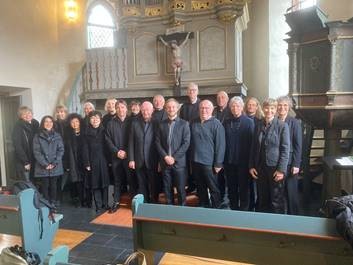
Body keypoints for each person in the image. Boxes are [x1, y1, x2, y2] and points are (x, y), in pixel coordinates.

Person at [249, 98, 290, 214]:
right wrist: (251, 166)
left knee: (276, 199)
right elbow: (254, 147)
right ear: (263, 109)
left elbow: (285, 149)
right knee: (262, 198)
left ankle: (277, 226)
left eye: (272, 108)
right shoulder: (258, 125)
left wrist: (281, 170)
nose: (269, 111)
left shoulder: (282, 126)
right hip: (260, 167)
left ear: (276, 110)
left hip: (275, 168)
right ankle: (263, 224)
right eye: (266, 108)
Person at [190, 100, 225, 208]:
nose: (204, 110)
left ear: (212, 110)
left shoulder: (217, 124)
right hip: (195, 161)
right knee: (200, 187)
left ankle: (216, 209)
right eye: (202, 108)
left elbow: (221, 145)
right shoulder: (193, 122)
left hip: (209, 163)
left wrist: (218, 163)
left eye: (207, 108)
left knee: (213, 188)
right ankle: (203, 206)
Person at [156, 98, 191, 205]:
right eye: (169, 107)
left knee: (180, 189)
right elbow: (157, 142)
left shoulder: (184, 124)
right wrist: (165, 157)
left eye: (173, 107)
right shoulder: (161, 124)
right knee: (167, 189)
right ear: (166, 109)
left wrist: (174, 158)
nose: (171, 109)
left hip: (179, 163)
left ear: (177, 108)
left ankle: (182, 211)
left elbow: (186, 143)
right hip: (165, 162)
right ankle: (169, 211)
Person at [224, 97, 254, 210]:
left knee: (244, 189)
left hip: (244, 163)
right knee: (231, 188)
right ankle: (234, 209)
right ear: (230, 108)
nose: (235, 108)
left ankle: (244, 212)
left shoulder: (249, 122)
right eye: (233, 106)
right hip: (229, 162)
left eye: (237, 106)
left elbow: (252, 145)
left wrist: (251, 163)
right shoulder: (226, 122)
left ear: (242, 108)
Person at [105, 99, 136, 213]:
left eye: (122, 107)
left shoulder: (132, 122)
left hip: (129, 156)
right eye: (118, 107)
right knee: (117, 181)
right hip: (116, 156)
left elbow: (134, 139)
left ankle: (133, 202)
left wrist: (127, 152)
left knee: (131, 180)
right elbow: (107, 140)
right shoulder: (110, 123)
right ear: (115, 109)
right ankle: (116, 202)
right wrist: (117, 152)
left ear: (126, 109)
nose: (120, 109)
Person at [128, 101, 159, 203]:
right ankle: (144, 203)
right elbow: (131, 142)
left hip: (152, 159)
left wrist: (160, 161)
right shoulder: (135, 122)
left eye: (148, 110)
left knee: (154, 184)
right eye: (144, 110)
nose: (146, 112)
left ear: (152, 110)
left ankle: (154, 203)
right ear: (141, 110)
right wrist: (131, 159)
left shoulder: (157, 123)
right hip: (139, 159)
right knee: (141, 184)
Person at [277, 95, 302, 215]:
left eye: (285, 105)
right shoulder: (274, 120)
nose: (282, 107)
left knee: (291, 193)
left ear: (289, 107)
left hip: (291, 163)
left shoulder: (294, 122)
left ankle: (294, 218)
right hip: (277, 162)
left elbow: (298, 145)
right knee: (278, 194)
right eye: (280, 105)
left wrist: (296, 164)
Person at [33, 116, 64, 205]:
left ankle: (53, 203)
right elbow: (37, 152)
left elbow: (61, 150)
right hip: (43, 166)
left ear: (53, 123)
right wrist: (45, 164)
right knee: (45, 185)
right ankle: (46, 203)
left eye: (50, 121)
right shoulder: (37, 136)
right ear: (43, 123)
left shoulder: (57, 135)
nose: (48, 123)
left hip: (55, 165)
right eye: (46, 121)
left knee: (54, 185)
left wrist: (54, 163)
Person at [82, 111, 109, 213]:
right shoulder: (86, 132)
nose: (95, 120)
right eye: (92, 118)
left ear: (100, 119)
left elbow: (108, 146)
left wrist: (109, 161)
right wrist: (87, 163)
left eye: (97, 118)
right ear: (89, 120)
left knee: (105, 183)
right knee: (95, 184)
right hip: (92, 161)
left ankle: (105, 204)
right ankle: (98, 205)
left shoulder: (104, 130)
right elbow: (84, 149)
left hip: (103, 160)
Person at [179, 82, 201, 193]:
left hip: (198, 139)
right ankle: (191, 185)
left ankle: (199, 186)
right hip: (186, 139)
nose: (192, 92)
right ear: (187, 92)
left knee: (196, 163)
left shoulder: (202, 105)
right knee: (187, 163)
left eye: (194, 90)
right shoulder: (184, 107)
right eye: (190, 90)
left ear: (197, 91)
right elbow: (181, 122)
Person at [244, 96, 263, 211]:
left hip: (257, 157)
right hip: (245, 156)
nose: (250, 106)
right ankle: (250, 206)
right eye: (249, 104)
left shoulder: (260, 121)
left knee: (258, 186)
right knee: (247, 185)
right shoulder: (243, 119)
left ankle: (258, 206)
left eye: (253, 105)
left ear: (257, 107)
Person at [213, 90, 231, 207]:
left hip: (228, 148)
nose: (220, 99)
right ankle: (219, 198)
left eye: (223, 97)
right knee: (217, 176)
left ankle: (227, 199)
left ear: (227, 99)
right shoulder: (213, 111)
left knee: (228, 176)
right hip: (214, 148)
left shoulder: (231, 111)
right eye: (219, 97)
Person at [64, 113, 87, 207]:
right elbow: (64, 150)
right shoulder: (67, 134)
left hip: (83, 160)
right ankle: (75, 199)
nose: (75, 123)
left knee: (83, 180)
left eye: (76, 121)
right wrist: (66, 164)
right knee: (73, 180)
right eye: (72, 122)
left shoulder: (84, 132)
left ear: (80, 122)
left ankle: (84, 198)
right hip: (72, 160)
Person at [12, 106, 39, 181]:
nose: (27, 115)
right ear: (20, 116)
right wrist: (26, 162)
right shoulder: (18, 127)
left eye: (29, 113)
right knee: (27, 183)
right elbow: (18, 146)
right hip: (24, 160)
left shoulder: (36, 125)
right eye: (24, 114)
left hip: (34, 158)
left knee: (35, 181)